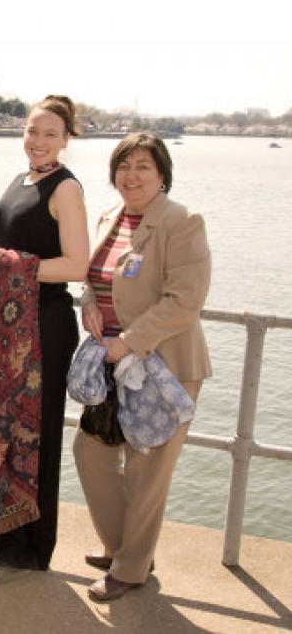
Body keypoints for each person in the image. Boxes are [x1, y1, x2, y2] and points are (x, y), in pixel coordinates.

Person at [74, 132, 211, 601]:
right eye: (123, 165)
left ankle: (131, 569)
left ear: (162, 174)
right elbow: (93, 279)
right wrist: (88, 305)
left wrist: (128, 342)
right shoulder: (109, 217)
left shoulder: (181, 221)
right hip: (111, 366)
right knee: (90, 452)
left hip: (164, 365)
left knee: (146, 469)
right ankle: (123, 547)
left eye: (142, 167)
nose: (131, 176)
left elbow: (185, 301)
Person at [0, 94, 90, 585]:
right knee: (4, 434)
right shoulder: (21, 179)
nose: (39, 142)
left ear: (66, 139)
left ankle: (32, 549)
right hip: (8, 324)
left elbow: (77, 264)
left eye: (50, 134)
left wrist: (11, 267)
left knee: (35, 438)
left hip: (45, 324)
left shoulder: (65, 188)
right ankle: (5, 533)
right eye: (32, 131)